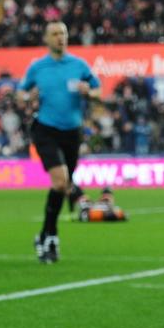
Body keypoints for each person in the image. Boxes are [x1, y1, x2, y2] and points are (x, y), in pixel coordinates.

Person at [18, 21, 100, 263]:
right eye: (54, 34)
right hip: (45, 129)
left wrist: (89, 91)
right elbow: (20, 93)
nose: (60, 37)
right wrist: (27, 96)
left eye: (63, 33)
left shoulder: (79, 65)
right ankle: (52, 238)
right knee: (61, 179)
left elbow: (98, 90)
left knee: (62, 185)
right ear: (46, 39)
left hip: (72, 132)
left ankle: (43, 234)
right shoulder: (37, 68)